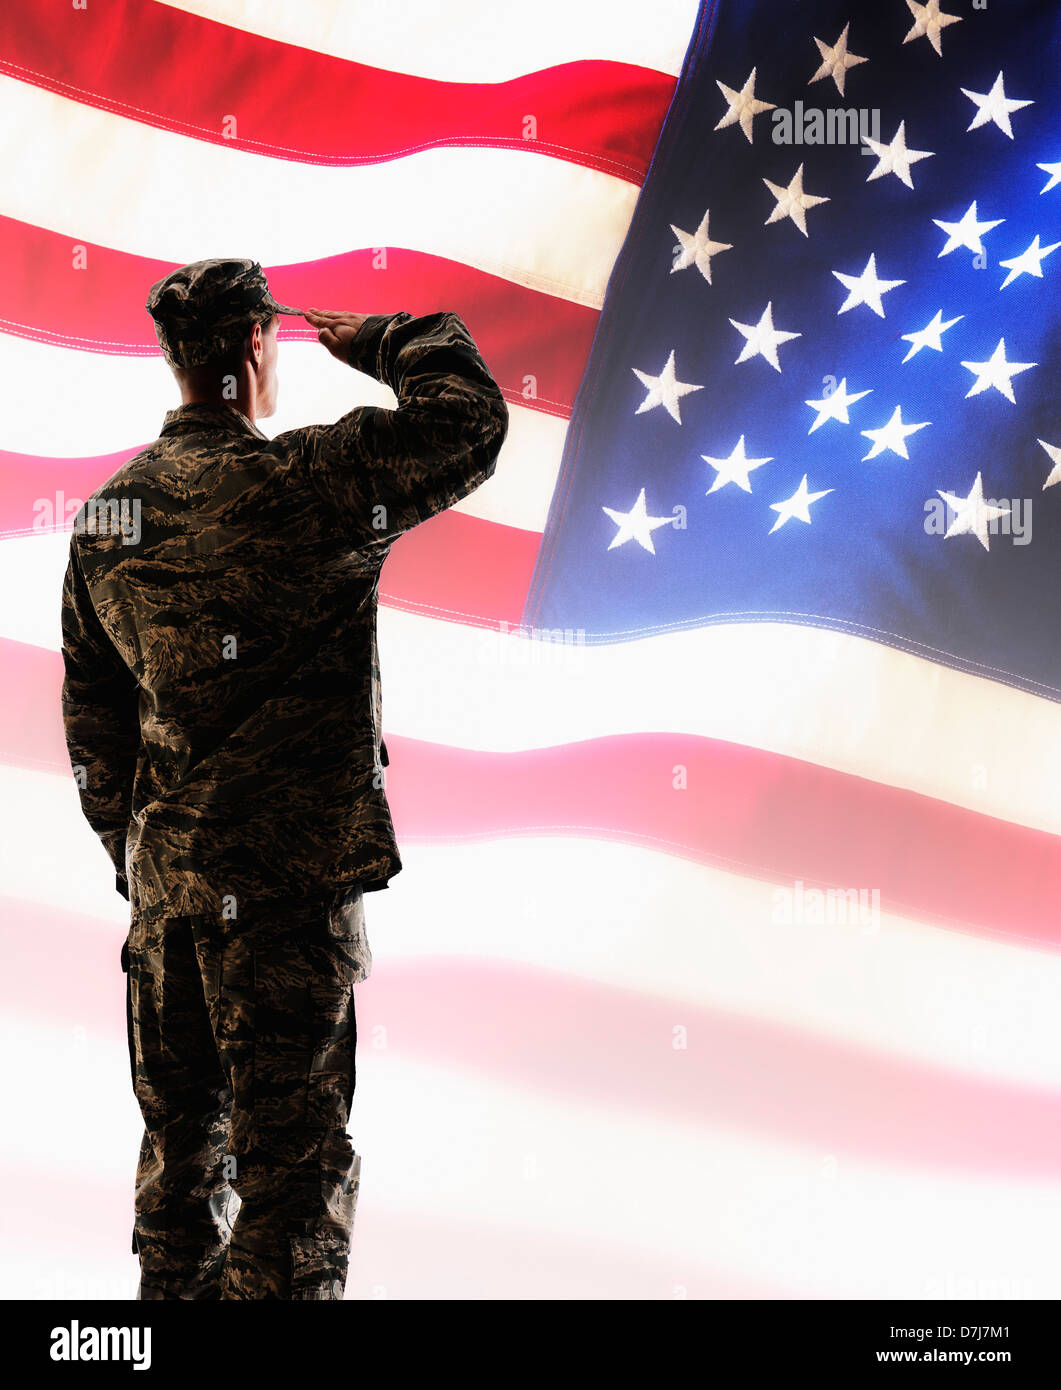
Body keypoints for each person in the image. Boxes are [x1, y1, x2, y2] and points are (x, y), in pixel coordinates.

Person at [59, 258, 509, 1299]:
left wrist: (150, 866)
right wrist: (393, 342)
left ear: (174, 358)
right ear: (258, 345)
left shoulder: (105, 522)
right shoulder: (312, 487)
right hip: (285, 909)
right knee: (290, 1199)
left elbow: (95, 739)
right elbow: (468, 423)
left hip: (168, 914)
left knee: (178, 1190)